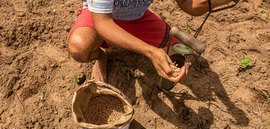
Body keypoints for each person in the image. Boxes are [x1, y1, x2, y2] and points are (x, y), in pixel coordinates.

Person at [67, 0, 235, 83]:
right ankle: (100, 56)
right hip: (100, 16)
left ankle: (144, 17)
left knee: (178, 55)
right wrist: (149, 51)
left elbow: (188, 3)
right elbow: (103, 22)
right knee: (79, 48)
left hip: (137, 18)